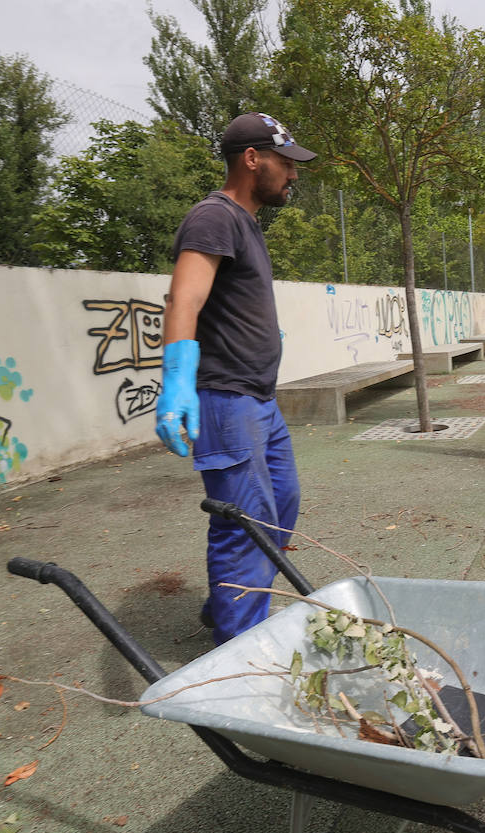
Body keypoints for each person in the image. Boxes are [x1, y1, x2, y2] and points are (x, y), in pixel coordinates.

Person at [155, 112, 317, 644]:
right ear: (252, 159)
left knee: (281, 503)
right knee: (244, 523)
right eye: (285, 163)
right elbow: (185, 298)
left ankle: (229, 604)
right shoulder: (213, 217)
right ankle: (242, 650)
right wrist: (176, 381)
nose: (293, 175)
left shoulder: (244, 222)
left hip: (259, 401)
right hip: (226, 401)